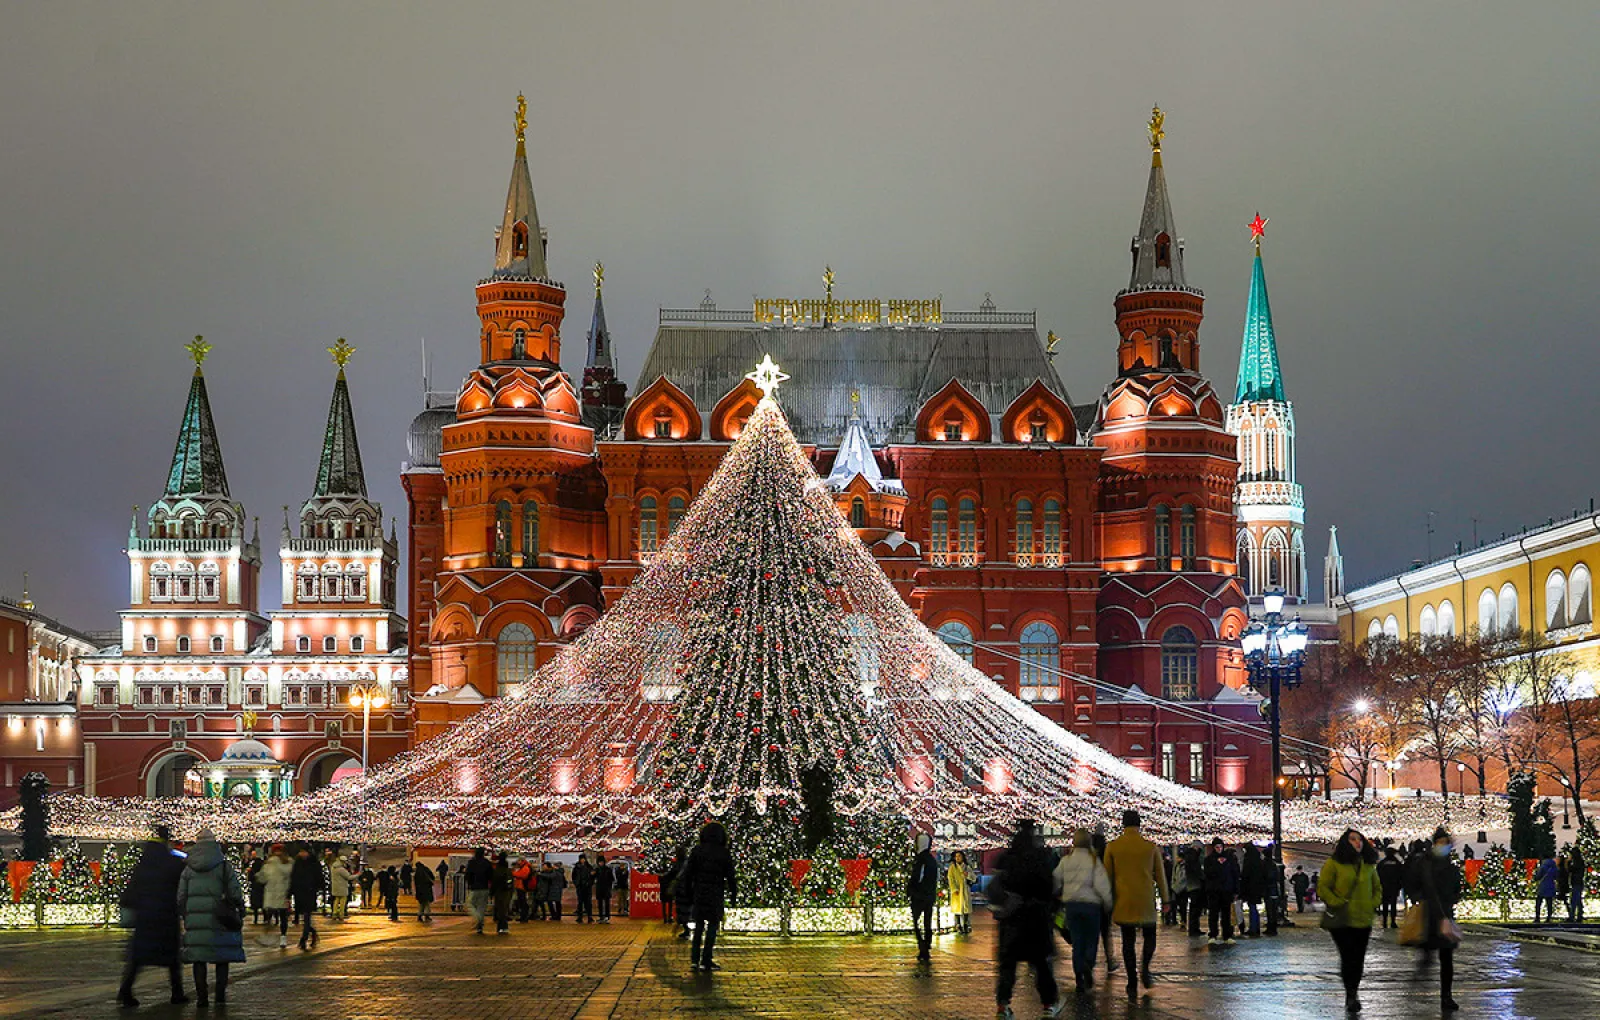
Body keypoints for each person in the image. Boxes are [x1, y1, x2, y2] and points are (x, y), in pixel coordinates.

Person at [991, 819, 1062, 1019]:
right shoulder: (1042, 858)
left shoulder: (1006, 858)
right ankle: (1048, 1005)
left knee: (1007, 966)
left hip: (1012, 920)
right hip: (1036, 919)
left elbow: (997, 888)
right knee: (1041, 965)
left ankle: (1002, 1006)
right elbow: (1050, 888)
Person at [1103, 809, 1172, 999]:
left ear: (1122, 825)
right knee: (1150, 937)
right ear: (1139, 824)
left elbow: (1107, 878)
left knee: (1128, 941)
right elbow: (1160, 877)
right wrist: (1166, 899)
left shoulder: (1113, 847)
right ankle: (1145, 968)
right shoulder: (1150, 847)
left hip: (1124, 900)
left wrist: (1108, 901)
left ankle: (1132, 980)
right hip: (1145, 899)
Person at [116, 827, 188, 1008]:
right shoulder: (173, 863)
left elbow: (130, 893)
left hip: (145, 918)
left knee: (138, 958)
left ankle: (125, 991)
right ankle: (177, 993)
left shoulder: (142, 865)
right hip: (166, 916)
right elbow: (182, 886)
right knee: (172, 958)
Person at [178, 828, 246, 1008]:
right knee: (222, 958)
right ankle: (220, 995)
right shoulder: (224, 866)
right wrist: (240, 907)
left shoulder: (188, 869)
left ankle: (202, 997)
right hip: (220, 919)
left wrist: (186, 913)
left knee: (198, 959)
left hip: (196, 922)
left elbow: (181, 896)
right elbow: (235, 892)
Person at [1319, 828, 1381, 1014]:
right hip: (1342, 920)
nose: (1357, 842)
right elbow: (1323, 887)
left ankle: (1353, 990)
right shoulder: (1334, 864)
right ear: (1345, 842)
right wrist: (1336, 902)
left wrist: (1372, 904)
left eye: (1360, 839)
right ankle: (1351, 994)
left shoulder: (1368, 865)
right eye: (1353, 839)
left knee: (1359, 958)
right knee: (1348, 957)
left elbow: (1377, 888)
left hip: (1363, 919)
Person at [1053, 828, 1113, 995]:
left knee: (1077, 942)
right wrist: (1108, 903)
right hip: (1091, 906)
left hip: (1072, 906)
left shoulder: (1066, 861)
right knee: (1091, 941)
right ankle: (1088, 965)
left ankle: (1079, 976)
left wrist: (1057, 894)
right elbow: (1102, 884)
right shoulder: (1094, 861)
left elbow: (1056, 880)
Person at [1412, 828, 1463, 1012]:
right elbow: (1413, 884)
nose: (1443, 847)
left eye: (1446, 843)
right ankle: (1422, 970)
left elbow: (1457, 888)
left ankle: (1446, 996)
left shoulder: (1451, 867)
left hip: (1445, 916)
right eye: (1440, 843)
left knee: (1447, 958)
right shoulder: (1424, 864)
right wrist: (1420, 899)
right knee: (1428, 951)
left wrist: (1453, 899)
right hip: (1429, 915)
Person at [681, 821, 738, 972]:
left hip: (699, 893)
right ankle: (706, 959)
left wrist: (688, 892)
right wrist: (733, 894)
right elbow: (730, 876)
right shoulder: (723, 852)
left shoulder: (697, 851)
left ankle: (694, 960)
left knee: (698, 927)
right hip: (715, 894)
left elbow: (688, 874)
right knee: (712, 927)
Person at [907, 833, 939, 962]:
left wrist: (911, 890)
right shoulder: (931, 859)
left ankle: (923, 947)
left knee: (917, 922)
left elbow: (917, 878)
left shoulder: (921, 859)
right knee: (927, 922)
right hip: (929, 896)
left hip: (920, 896)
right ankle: (926, 945)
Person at [256, 844, 294, 948]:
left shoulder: (287, 862)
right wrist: (259, 876)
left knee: (282, 916)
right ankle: (269, 936)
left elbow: (289, 874)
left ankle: (283, 937)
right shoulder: (270, 863)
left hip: (282, 892)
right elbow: (263, 877)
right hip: (271, 892)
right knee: (269, 915)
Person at [1202, 838, 1239, 945]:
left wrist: (1235, 890)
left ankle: (1227, 935)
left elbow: (1235, 874)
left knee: (1226, 914)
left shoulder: (1229, 859)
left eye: (1220, 847)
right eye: (1217, 847)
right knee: (1213, 914)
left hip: (1226, 890)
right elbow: (1208, 874)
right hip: (1214, 891)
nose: (1219, 849)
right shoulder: (1209, 860)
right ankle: (1213, 934)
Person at [290, 845, 323, 950]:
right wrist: (290, 893)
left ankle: (303, 939)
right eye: (301, 852)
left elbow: (319, 878)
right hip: (299, 893)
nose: (302, 854)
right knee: (304, 918)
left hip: (309, 893)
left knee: (306, 917)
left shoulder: (314, 863)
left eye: (304, 852)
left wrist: (318, 889)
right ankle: (313, 934)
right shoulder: (297, 863)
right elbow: (293, 878)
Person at [1240, 844, 1268, 937]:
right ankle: (1255, 928)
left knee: (1252, 907)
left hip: (1250, 888)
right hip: (1257, 888)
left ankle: (1253, 928)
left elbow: (1245, 875)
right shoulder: (1258, 860)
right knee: (1254, 908)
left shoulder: (1248, 860)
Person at [464, 847, 494, 934]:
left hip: (474, 887)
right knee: (481, 907)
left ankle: (477, 919)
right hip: (484, 887)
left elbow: (468, 875)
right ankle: (480, 925)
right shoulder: (487, 863)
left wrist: (469, 883)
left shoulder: (472, 862)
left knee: (470, 904)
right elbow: (491, 876)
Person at [1375, 847, 1404, 929]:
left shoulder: (1381, 864)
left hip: (1384, 887)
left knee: (1384, 904)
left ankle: (1384, 922)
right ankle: (1393, 922)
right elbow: (1401, 875)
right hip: (1394, 887)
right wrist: (1399, 886)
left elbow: (1377, 876)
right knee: (1393, 904)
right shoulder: (1397, 863)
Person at [947, 850, 973, 936]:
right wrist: (954, 889)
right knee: (957, 908)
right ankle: (958, 925)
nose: (958, 858)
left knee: (966, 908)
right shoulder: (952, 867)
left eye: (959, 856)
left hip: (965, 889)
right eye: (956, 856)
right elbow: (951, 879)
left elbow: (974, 877)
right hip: (957, 891)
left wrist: (968, 875)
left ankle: (965, 924)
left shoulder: (967, 867)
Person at [491, 852, 514, 934]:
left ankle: (501, 926)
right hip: (506, 891)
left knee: (500, 909)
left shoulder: (497, 870)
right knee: (504, 909)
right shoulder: (507, 870)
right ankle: (503, 926)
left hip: (499, 891)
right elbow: (510, 880)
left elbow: (494, 881)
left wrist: (492, 891)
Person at [329, 854, 354, 922]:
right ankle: (341, 915)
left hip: (335, 887)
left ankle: (334, 914)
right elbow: (349, 877)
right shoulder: (341, 869)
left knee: (336, 901)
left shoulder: (333, 867)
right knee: (343, 902)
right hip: (342, 887)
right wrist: (357, 875)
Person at [1534, 855, 1559, 923]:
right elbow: (1556, 877)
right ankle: (1549, 917)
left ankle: (1537, 917)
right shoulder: (1554, 867)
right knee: (1549, 902)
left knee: (1539, 902)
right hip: (1551, 886)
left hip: (1543, 886)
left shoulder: (1543, 867)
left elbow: (1538, 876)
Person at [243, 848, 264, 926]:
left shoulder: (254, 865)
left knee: (256, 904)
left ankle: (256, 919)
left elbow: (252, 876)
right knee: (261, 902)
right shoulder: (260, 864)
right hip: (260, 886)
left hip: (256, 886)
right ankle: (265, 918)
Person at [595, 853, 615, 923]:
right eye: (599, 862)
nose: (601, 863)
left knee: (607, 903)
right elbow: (593, 878)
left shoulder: (608, 870)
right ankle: (601, 916)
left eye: (602, 862)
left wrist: (609, 886)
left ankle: (607, 917)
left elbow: (612, 879)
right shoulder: (596, 870)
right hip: (599, 889)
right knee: (600, 903)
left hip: (606, 889)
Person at [1570, 844, 1588, 922]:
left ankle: (1573, 916)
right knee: (1577, 900)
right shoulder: (1580, 862)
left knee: (1575, 900)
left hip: (1576, 882)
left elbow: (1573, 870)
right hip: (1578, 882)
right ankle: (1578, 915)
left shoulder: (1577, 862)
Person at [513, 857, 533, 922]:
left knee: (523, 902)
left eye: (518, 861)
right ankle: (523, 916)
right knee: (522, 902)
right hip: (521, 886)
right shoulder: (524, 867)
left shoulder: (525, 867)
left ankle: (524, 917)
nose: (517, 862)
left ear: (522, 861)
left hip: (522, 887)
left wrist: (513, 873)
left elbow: (522, 875)